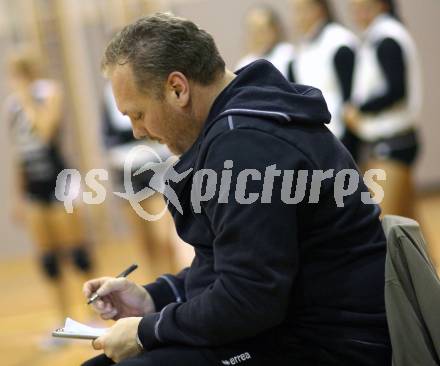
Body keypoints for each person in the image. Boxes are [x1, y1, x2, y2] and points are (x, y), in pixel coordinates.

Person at [82, 13, 391, 366]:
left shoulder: (245, 146)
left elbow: (248, 301)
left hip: (332, 346)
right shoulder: (242, 120)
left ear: (178, 89)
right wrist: (153, 299)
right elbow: (229, 270)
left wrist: (144, 331)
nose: (137, 131)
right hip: (293, 327)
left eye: (138, 114)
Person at [5, 51, 94, 328]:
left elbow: (45, 131)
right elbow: (20, 154)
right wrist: (18, 197)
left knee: (76, 251)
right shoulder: (12, 107)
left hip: (60, 180)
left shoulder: (49, 92)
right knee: (47, 257)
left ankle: (93, 315)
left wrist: (27, 97)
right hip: (35, 185)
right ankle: (62, 319)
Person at [346, 0, 422, 218]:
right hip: (388, 142)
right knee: (408, 223)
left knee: (384, 223)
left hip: (392, 143)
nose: (356, 12)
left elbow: (397, 90)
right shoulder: (377, 37)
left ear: (381, 5)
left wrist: (358, 109)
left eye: (362, 6)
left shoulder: (387, 38)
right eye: (354, 7)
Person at [102, 81, 178, 278]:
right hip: (127, 167)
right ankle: (155, 281)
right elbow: (107, 137)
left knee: (165, 237)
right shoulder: (108, 94)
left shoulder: (146, 83)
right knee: (145, 240)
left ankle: (175, 280)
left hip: (156, 163)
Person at [290, 0, 360, 159]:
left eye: (302, 10)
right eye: (295, 11)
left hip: (342, 136)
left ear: (319, 9)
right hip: (318, 135)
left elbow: (351, 96)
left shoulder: (339, 40)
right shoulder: (302, 47)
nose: (297, 17)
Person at [235, 5, 295, 78]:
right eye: (252, 30)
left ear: (275, 30)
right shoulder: (243, 65)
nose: (257, 36)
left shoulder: (288, 55)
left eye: (262, 30)